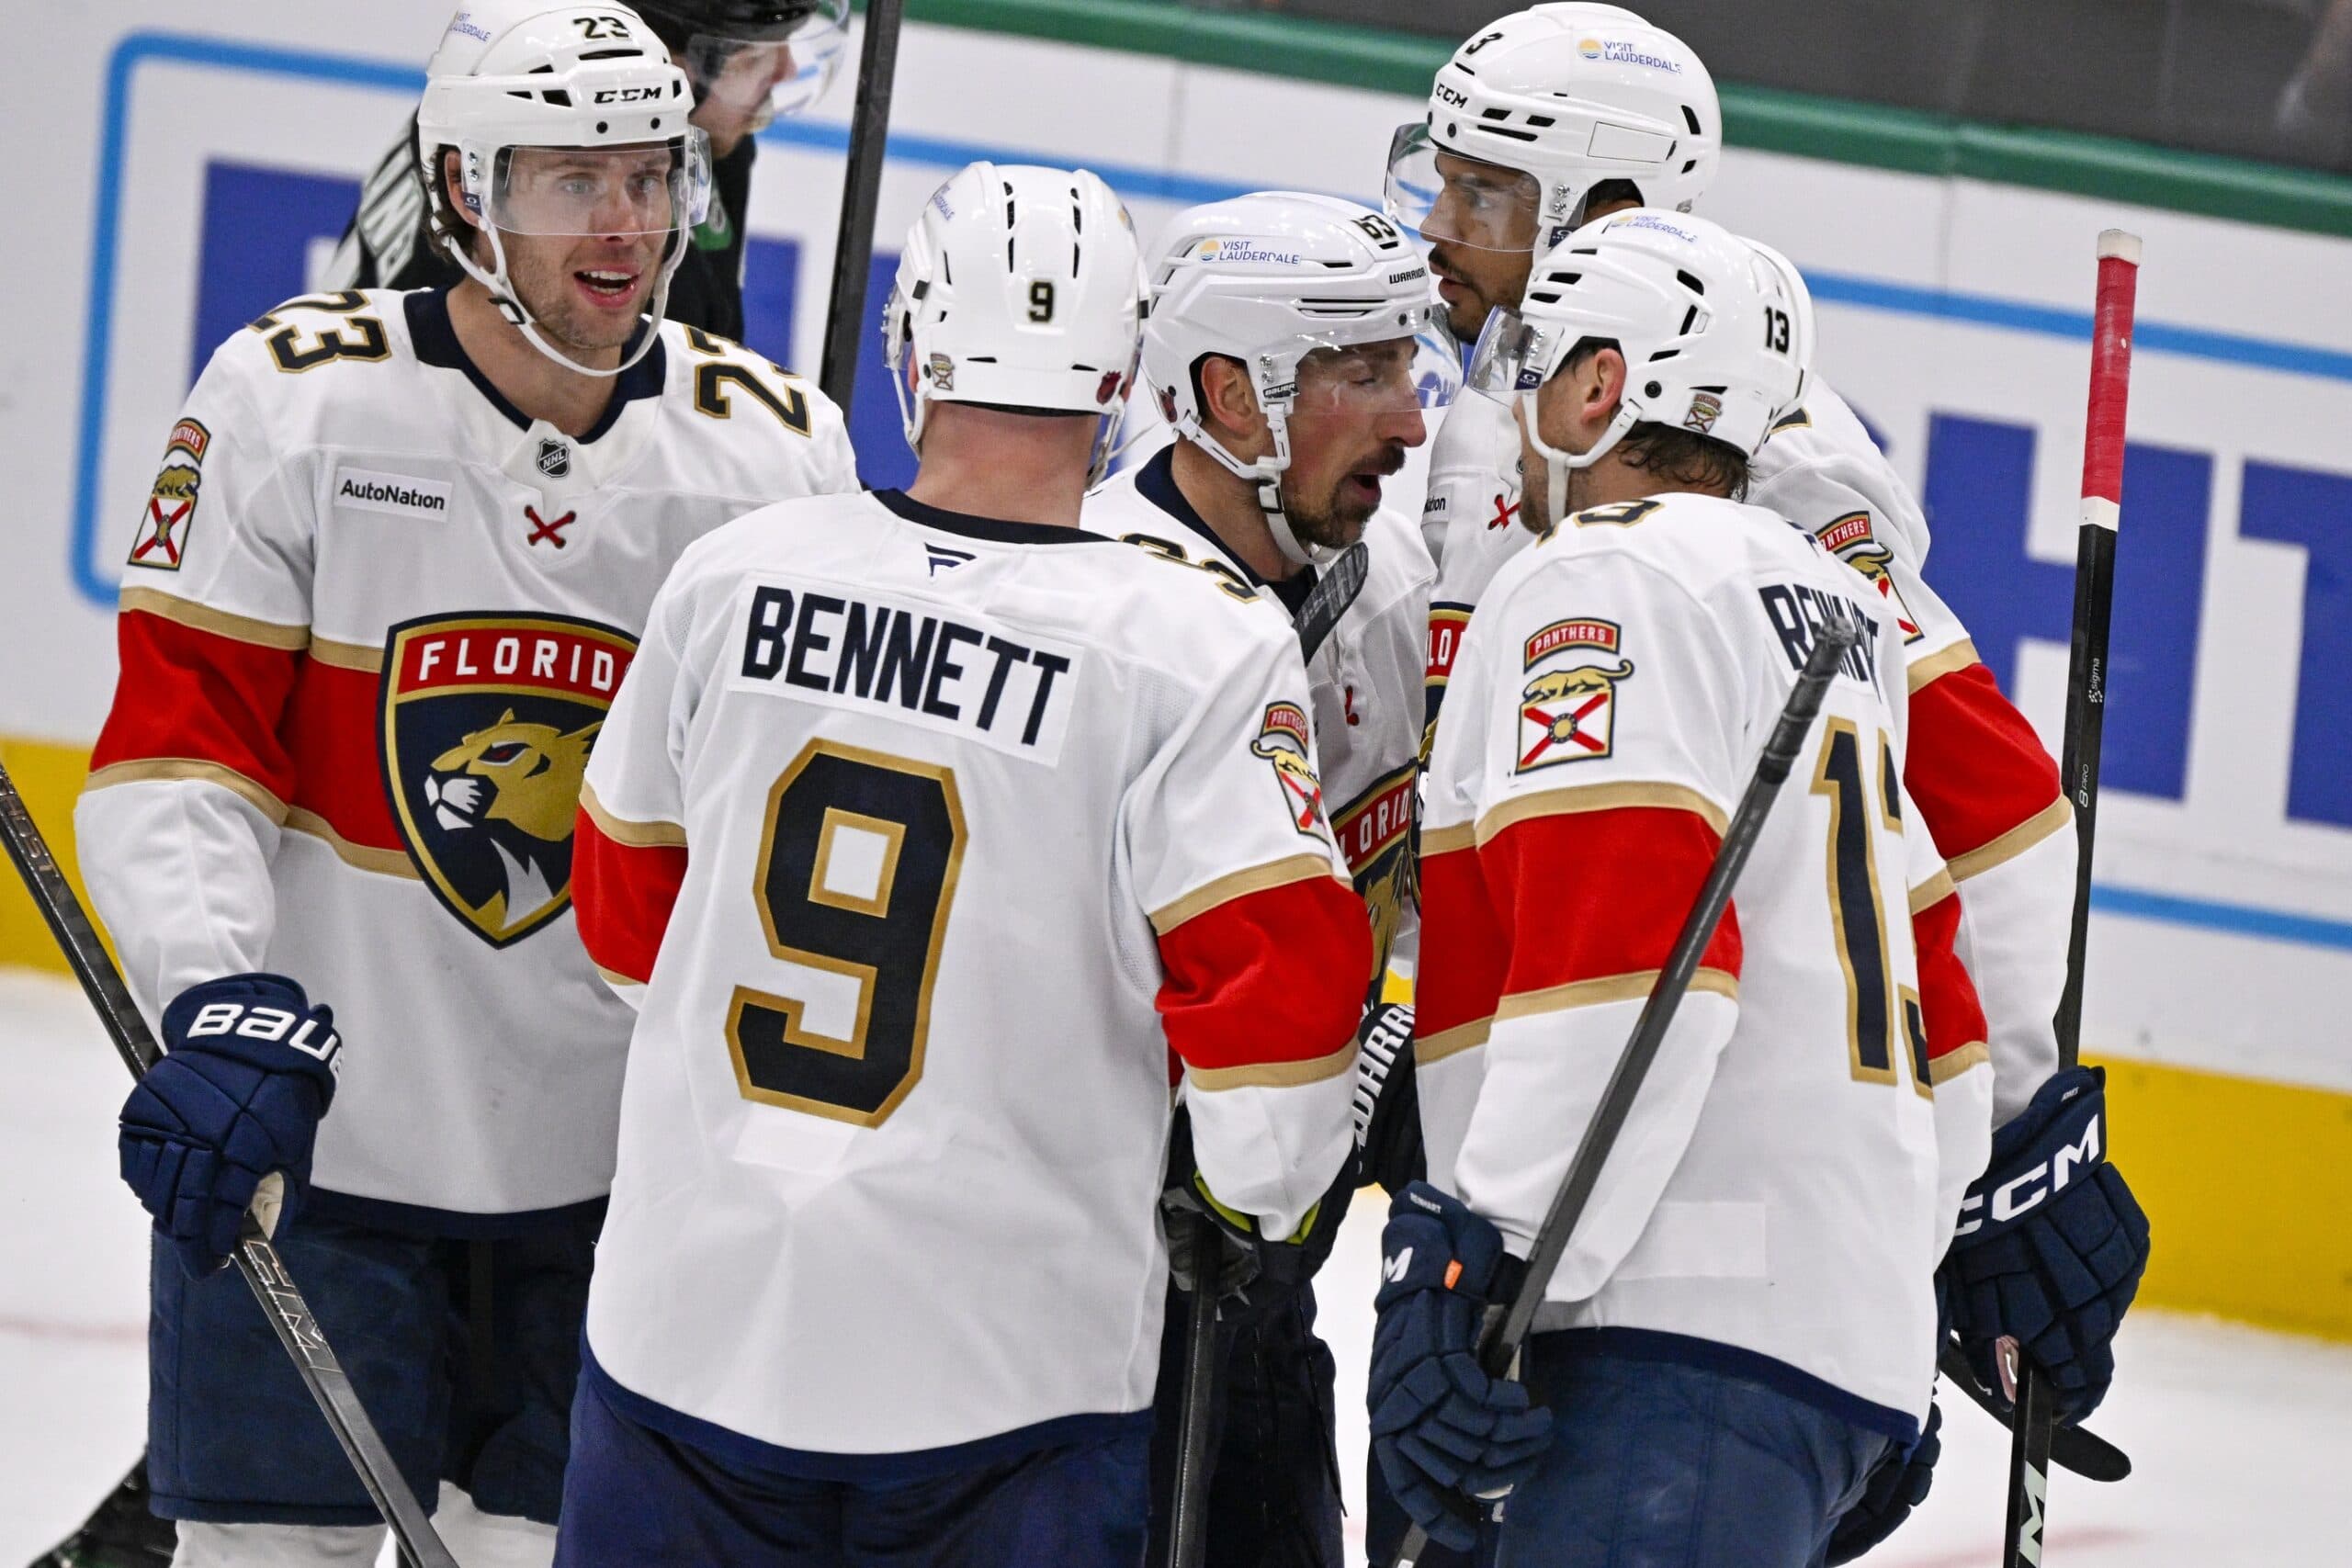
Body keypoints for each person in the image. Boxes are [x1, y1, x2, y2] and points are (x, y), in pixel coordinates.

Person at [66, 6, 856, 1565]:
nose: (626, 226)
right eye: (573, 180)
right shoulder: (295, 403)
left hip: (619, 1200)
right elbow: (179, 751)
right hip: (317, 1167)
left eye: (653, 175)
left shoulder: (774, 458)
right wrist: (217, 998)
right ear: (461, 190)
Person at [1386, 7, 2151, 1556]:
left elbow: (1975, 809)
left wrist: (2013, 1140)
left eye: (1485, 195)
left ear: (1600, 213)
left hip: (1658, 1236)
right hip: (1582, 1170)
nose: (1441, 234)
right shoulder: (1490, 423)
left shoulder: (1767, 464)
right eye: (1442, 181)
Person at [550, 159, 1371, 1565]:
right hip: (1010, 1368)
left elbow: (627, 916)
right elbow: (1281, 1014)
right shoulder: (1194, 640)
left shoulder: (736, 573)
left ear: (911, 347)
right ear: (1124, 374)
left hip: (691, 1327)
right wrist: (1258, 1194)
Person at [1379, 209, 1994, 1567]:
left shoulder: (1604, 575)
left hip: (1655, 1332)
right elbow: (1945, 1001)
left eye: (1543, 365)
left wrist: (1492, 1259)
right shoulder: (1839, 614)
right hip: (1807, 1343)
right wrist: (1879, 1297)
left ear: (1605, 386)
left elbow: (1625, 966)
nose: (1522, 405)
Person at [1081, 191, 1440, 1566]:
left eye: (1406, 366)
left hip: (1260, 1272)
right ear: (1232, 396)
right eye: (1362, 373)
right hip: (1073, 1299)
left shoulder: (1390, 580)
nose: (1408, 420)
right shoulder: (1102, 609)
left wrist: (1383, 1045)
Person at [324, 0, 849, 342]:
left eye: (646, 178)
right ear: (661, 58)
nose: (786, 71)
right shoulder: (509, 165)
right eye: (752, 61)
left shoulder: (704, 141)